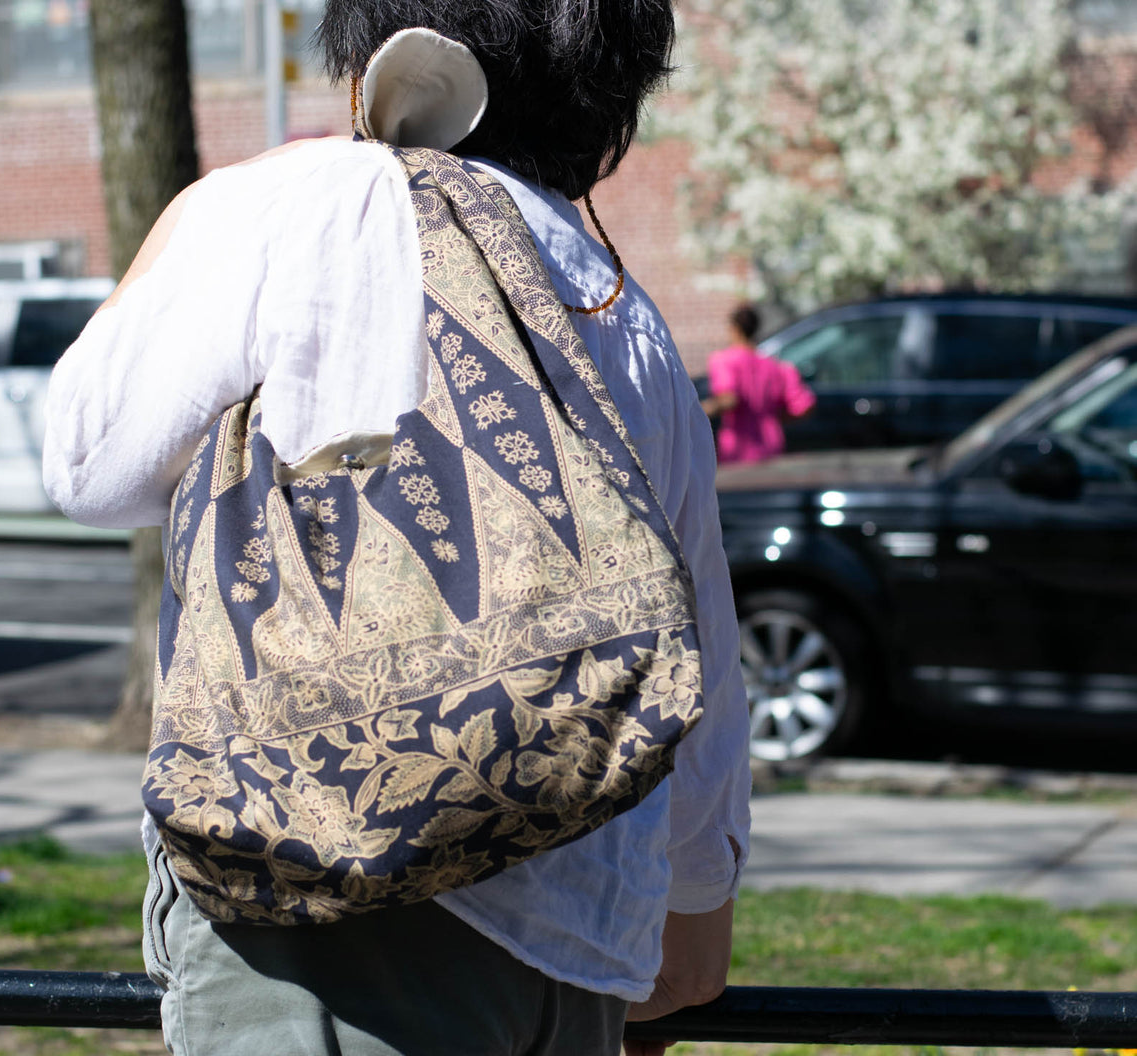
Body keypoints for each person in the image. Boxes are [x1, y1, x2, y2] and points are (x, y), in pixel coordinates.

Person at [43, 3, 751, 1054]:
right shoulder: (618, 309)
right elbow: (698, 655)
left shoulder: (299, 207)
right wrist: (690, 918)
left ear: (369, 57)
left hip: (325, 915)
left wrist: (191, 213)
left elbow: (87, 464)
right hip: (574, 928)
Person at [702, 303, 815, 464]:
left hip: (739, 448)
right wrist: (773, 418)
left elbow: (729, 400)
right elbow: (804, 406)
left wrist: (699, 410)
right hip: (771, 444)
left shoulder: (724, 361)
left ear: (734, 329)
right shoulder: (773, 365)